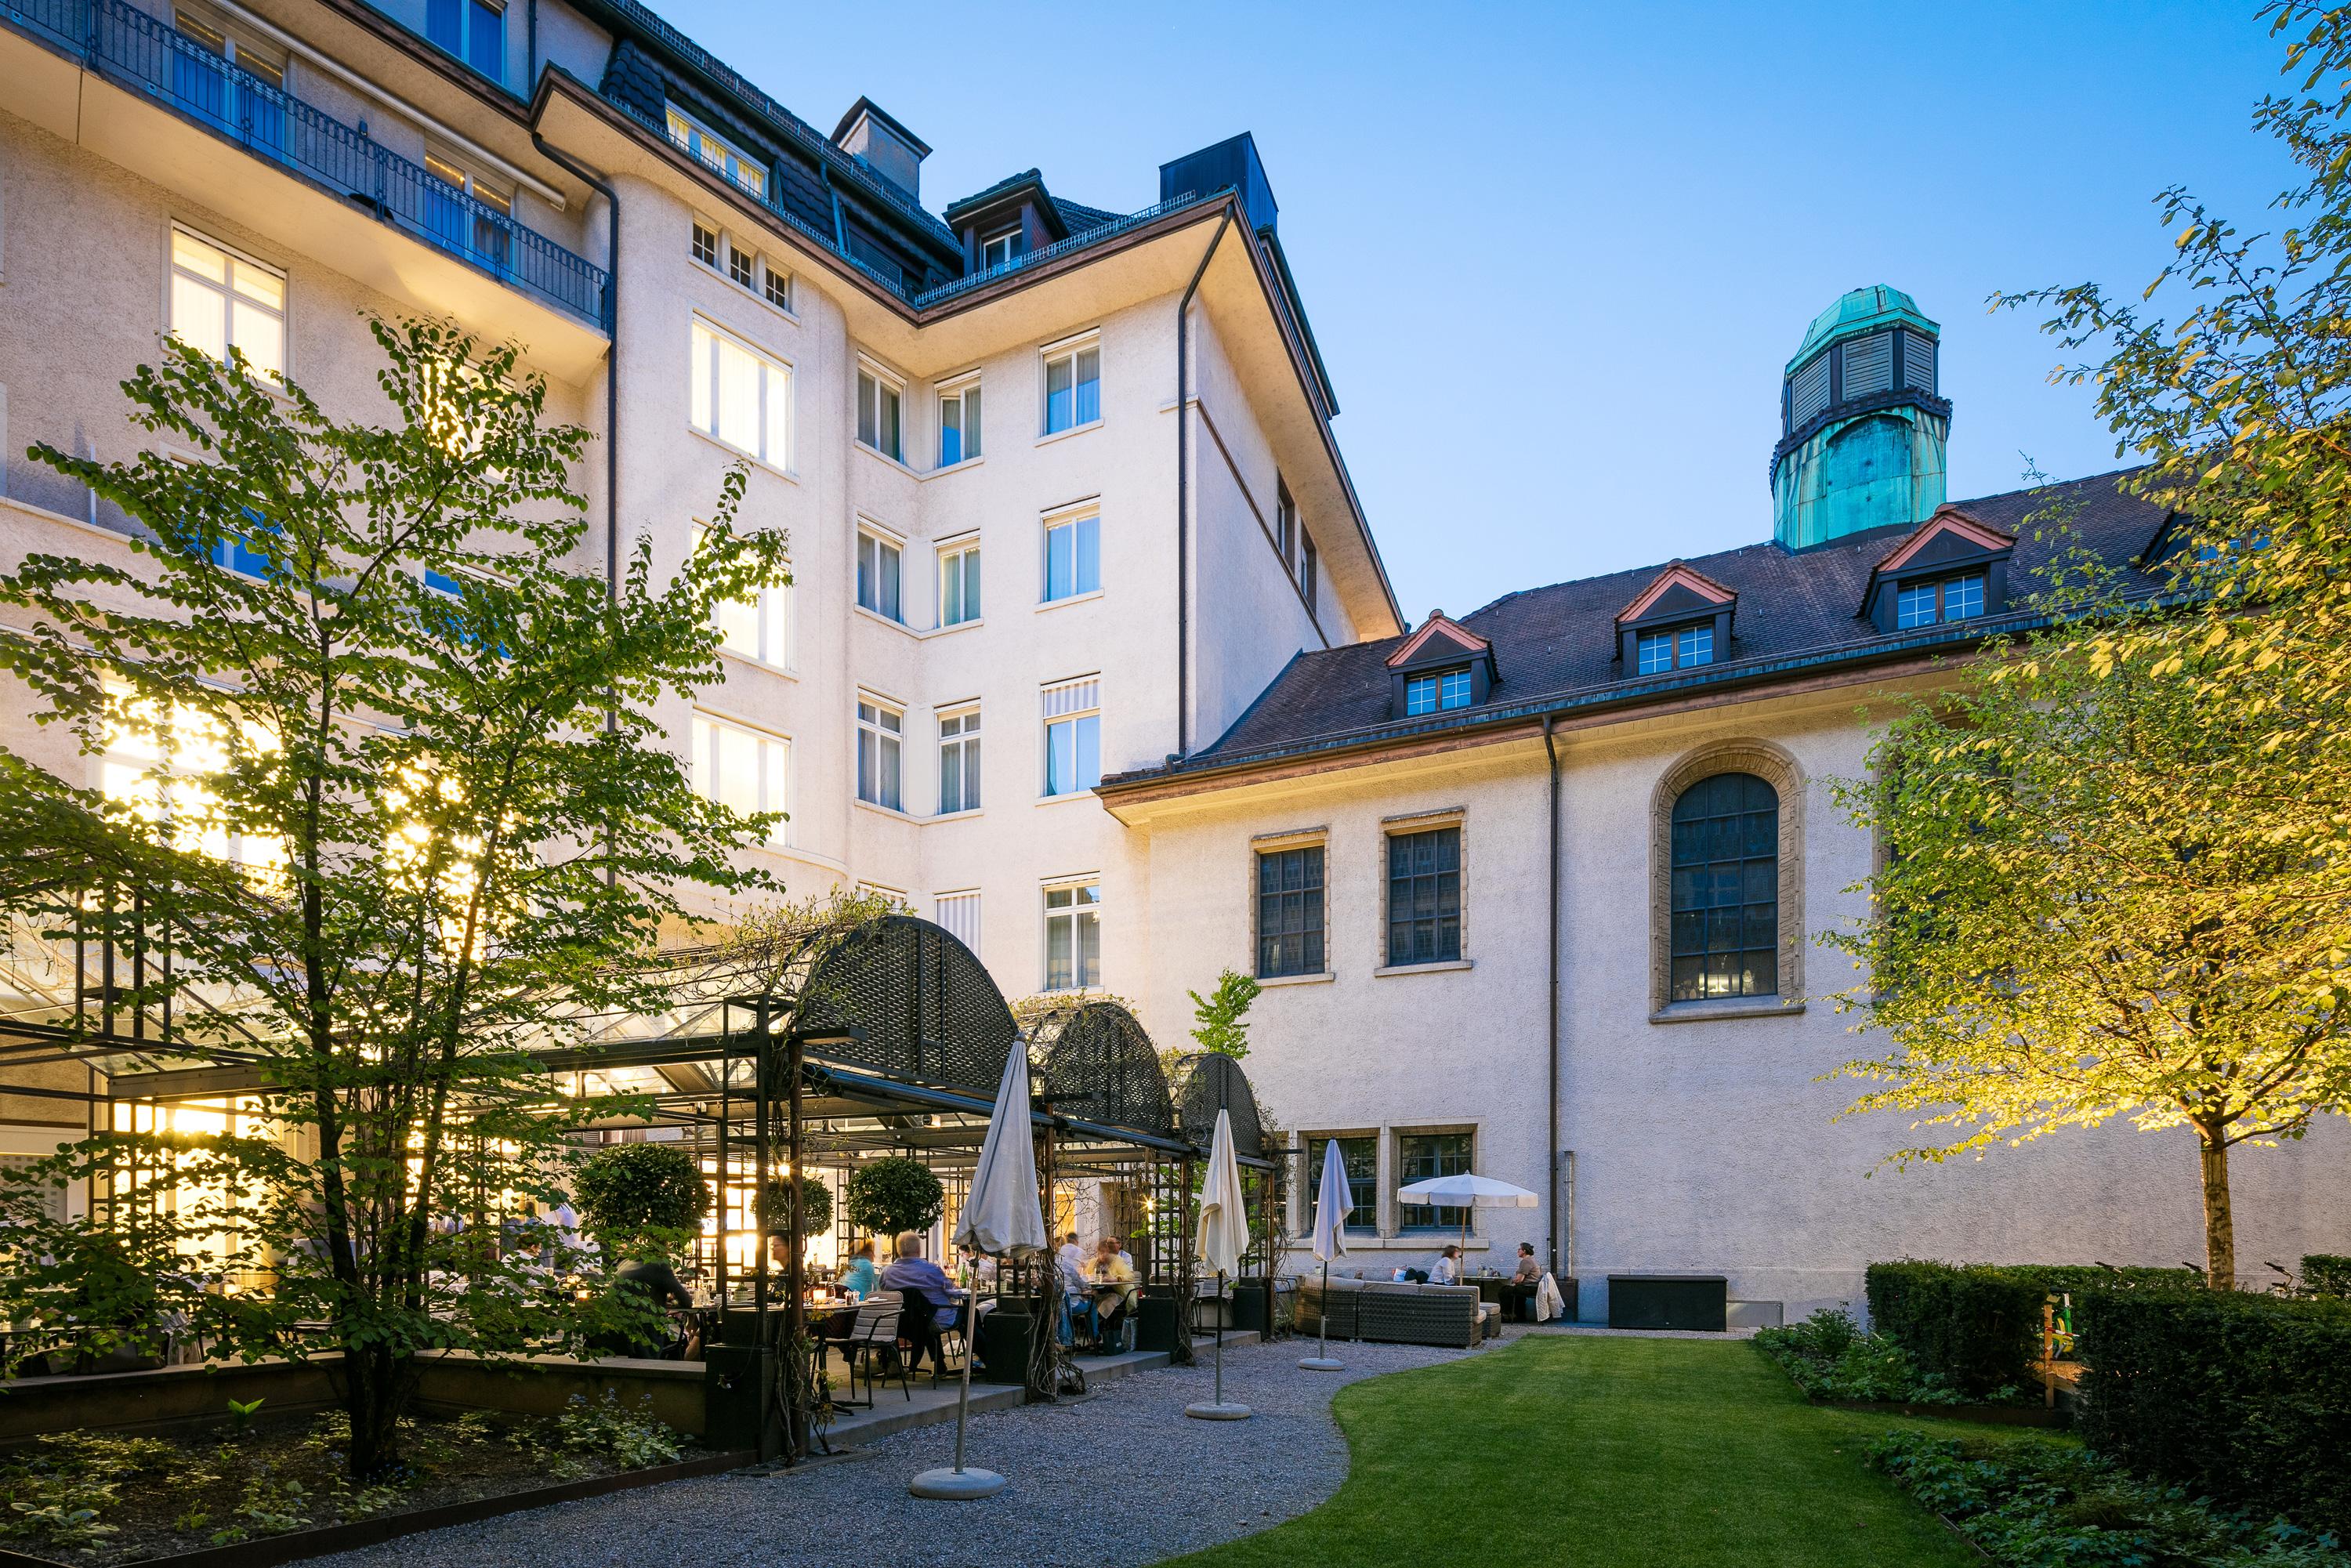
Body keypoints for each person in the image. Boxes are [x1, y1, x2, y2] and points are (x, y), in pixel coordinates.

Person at [881, 1231, 960, 1376]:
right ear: (919, 1250)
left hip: (900, 1322)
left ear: (899, 1250)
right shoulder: (931, 1270)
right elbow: (952, 1292)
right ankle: (986, 1358)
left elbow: (885, 1293)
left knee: (923, 1316)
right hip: (933, 1319)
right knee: (966, 1316)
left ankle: (897, 1363)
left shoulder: (887, 1272)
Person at [1085, 1237, 1139, 1348]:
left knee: (1106, 1304)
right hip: (1099, 1292)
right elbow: (1085, 1276)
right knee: (1090, 1303)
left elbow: (1131, 1276)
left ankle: (1098, 1332)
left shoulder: (1118, 1261)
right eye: (1100, 1253)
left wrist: (1116, 1278)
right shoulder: (1093, 1263)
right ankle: (1094, 1335)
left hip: (1119, 1292)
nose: (1103, 1256)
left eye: (1105, 1253)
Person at [1504, 1242, 1541, 1322]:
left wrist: (1511, 1282)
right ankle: (1519, 1316)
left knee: (1504, 1290)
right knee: (1516, 1292)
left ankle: (1506, 1315)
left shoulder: (1526, 1261)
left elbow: (1519, 1280)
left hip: (1530, 1287)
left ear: (1524, 1251)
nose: (1518, 1251)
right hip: (1533, 1287)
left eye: (1519, 1249)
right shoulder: (1530, 1260)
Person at [836, 1237, 879, 1302]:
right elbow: (873, 1284)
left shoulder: (853, 1262)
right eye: (872, 1253)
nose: (874, 1256)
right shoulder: (867, 1264)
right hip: (857, 1296)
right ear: (868, 1253)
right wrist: (878, 1297)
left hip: (843, 1291)